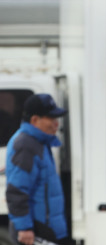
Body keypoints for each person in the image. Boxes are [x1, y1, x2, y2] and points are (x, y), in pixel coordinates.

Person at [5, 94, 69, 245]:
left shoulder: (39, 142)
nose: (57, 124)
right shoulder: (26, 145)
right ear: (35, 120)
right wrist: (25, 228)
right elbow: (16, 190)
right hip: (36, 230)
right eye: (52, 119)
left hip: (43, 228)